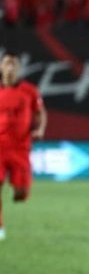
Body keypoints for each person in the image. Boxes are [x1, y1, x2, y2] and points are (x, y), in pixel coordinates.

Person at [0, 52, 47, 241]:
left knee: (21, 193)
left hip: (20, 148)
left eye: (14, 64)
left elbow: (40, 112)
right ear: (1, 68)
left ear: (19, 69)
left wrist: (40, 129)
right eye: (7, 63)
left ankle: (19, 190)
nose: (10, 68)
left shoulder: (29, 91)